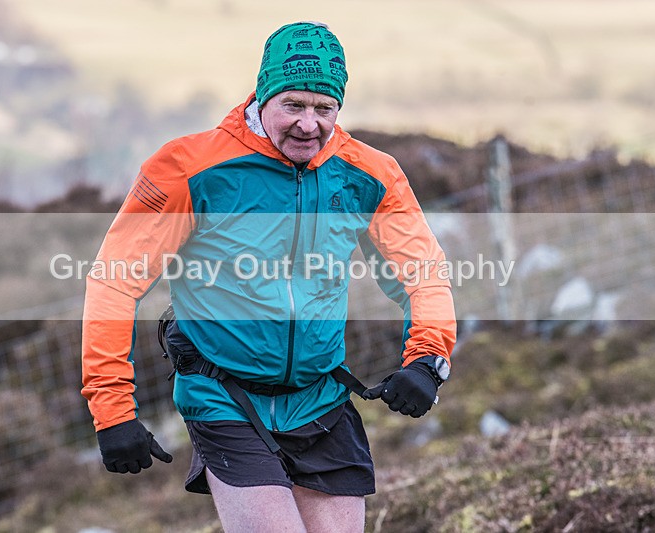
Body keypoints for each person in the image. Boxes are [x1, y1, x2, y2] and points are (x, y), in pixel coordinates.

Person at [81, 21, 456, 532]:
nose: (308, 125)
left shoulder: (371, 174)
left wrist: (427, 360)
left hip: (321, 398)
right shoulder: (189, 168)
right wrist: (112, 410)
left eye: (324, 108)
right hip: (223, 396)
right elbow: (114, 281)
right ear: (262, 97)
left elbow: (423, 273)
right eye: (293, 105)